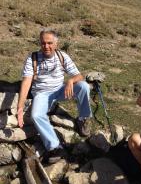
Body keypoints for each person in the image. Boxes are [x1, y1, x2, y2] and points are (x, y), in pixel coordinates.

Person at [17, 29, 92, 163]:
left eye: (50, 43)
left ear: (56, 44)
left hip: (60, 90)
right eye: (43, 43)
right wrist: (20, 107)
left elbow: (79, 76)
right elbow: (26, 82)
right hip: (42, 93)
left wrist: (70, 80)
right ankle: (55, 146)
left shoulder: (62, 56)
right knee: (36, 115)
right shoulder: (32, 58)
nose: (46, 46)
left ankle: (83, 119)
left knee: (83, 86)